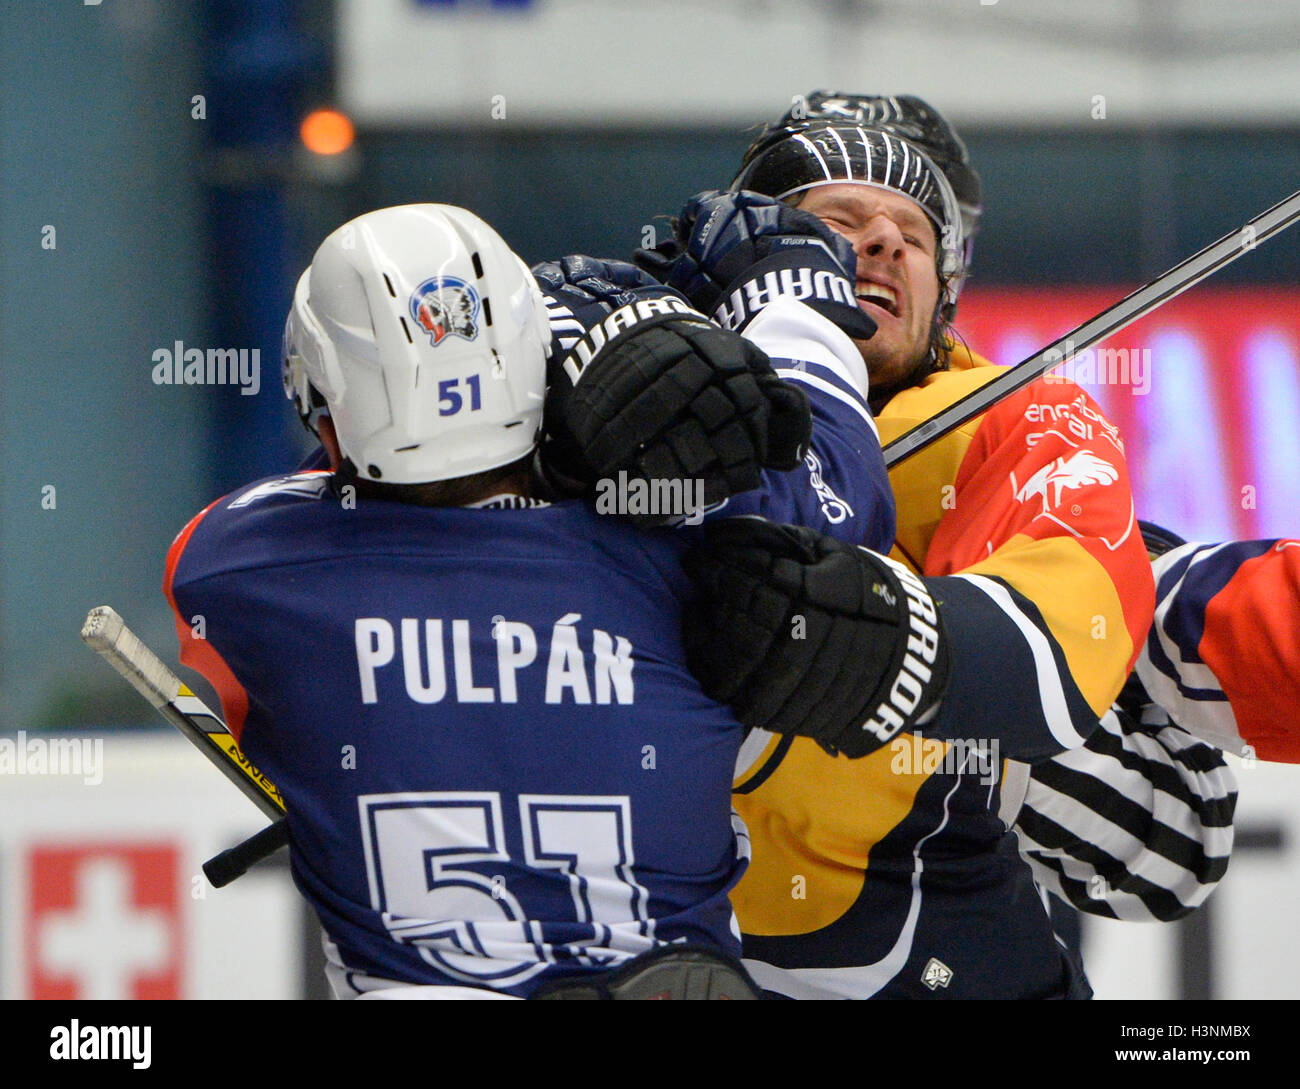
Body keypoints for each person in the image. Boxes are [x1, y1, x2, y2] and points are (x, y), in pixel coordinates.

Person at [162, 202, 930, 997]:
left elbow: (322, 475)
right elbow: (847, 492)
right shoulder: (692, 547)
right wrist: (785, 309)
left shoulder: (241, 570)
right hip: (669, 970)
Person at [644, 99, 1235, 997]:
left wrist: (923, 682)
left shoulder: (1025, 456)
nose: (880, 238)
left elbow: (1183, 844)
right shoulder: (646, 420)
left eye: (919, 227)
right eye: (834, 217)